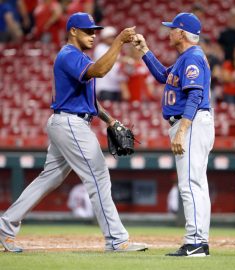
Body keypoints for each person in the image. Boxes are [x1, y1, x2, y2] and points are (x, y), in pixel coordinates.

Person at [0, 12, 147, 253]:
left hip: (68, 121)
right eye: (87, 30)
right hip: (70, 123)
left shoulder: (78, 56)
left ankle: (5, 226)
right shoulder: (68, 55)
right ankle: (117, 240)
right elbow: (100, 71)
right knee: (98, 176)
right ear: (73, 31)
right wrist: (118, 41)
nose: (92, 35)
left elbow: (88, 98)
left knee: (49, 178)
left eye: (94, 30)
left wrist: (109, 120)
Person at [133, 12, 214, 257]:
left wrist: (182, 130)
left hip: (191, 123)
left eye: (172, 28)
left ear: (181, 32)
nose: (169, 32)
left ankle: (196, 242)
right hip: (195, 123)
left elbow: (195, 96)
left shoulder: (192, 57)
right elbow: (162, 76)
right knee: (197, 185)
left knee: (190, 184)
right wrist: (145, 51)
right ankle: (199, 240)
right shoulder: (186, 58)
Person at [93, 26, 122, 101]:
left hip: (116, 86)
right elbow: (107, 60)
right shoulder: (100, 48)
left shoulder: (115, 48)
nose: (112, 39)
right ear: (104, 38)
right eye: (110, 37)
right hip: (104, 86)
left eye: (113, 37)